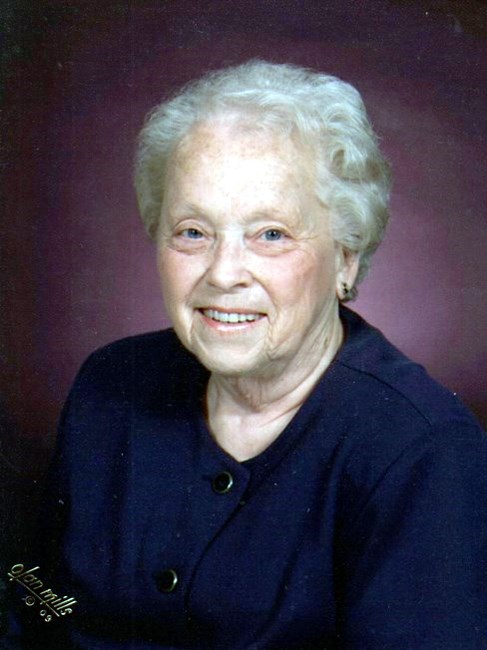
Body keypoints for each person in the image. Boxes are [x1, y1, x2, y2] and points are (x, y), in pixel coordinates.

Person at [8, 60, 487, 649]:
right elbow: (35, 609)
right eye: (193, 231)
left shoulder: (422, 448)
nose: (223, 273)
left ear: (345, 258)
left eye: (270, 234)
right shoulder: (111, 384)